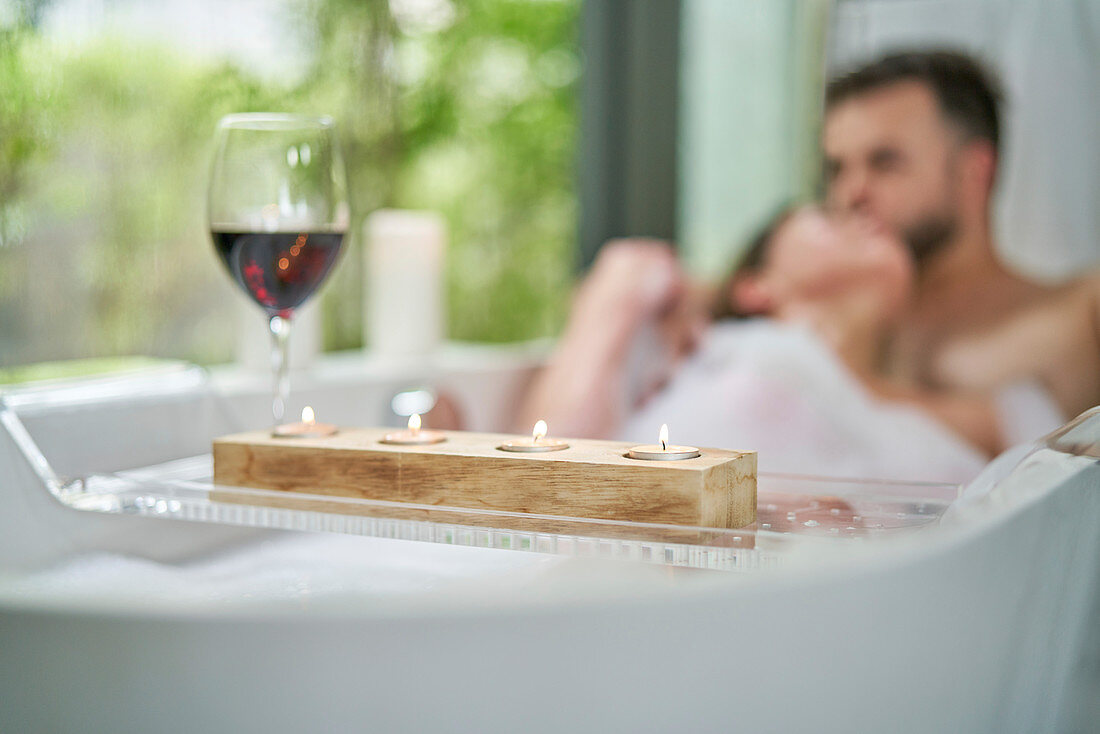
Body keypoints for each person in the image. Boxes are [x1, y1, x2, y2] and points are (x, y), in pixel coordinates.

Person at [519, 205, 990, 481]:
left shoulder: (910, 422)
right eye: (827, 214)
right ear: (756, 286)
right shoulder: (711, 359)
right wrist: (622, 283)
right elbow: (541, 478)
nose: (863, 212)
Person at [822, 50, 1100, 440]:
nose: (850, 193)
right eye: (837, 169)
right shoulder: (818, 319)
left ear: (974, 170)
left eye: (885, 162)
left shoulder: (1081, 313)